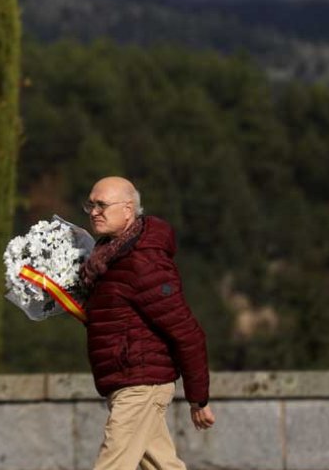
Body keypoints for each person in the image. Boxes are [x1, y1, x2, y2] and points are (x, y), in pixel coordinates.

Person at [80, 176, 214, 470]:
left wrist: (198, 398)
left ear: (128, 209)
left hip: (140, 383)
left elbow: (185, 330)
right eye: (90, 204)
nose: (93, 211)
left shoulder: (143, 262)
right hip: (125, 380)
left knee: (111, 465)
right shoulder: (106, 258)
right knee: (162, 465)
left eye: (102, 205)